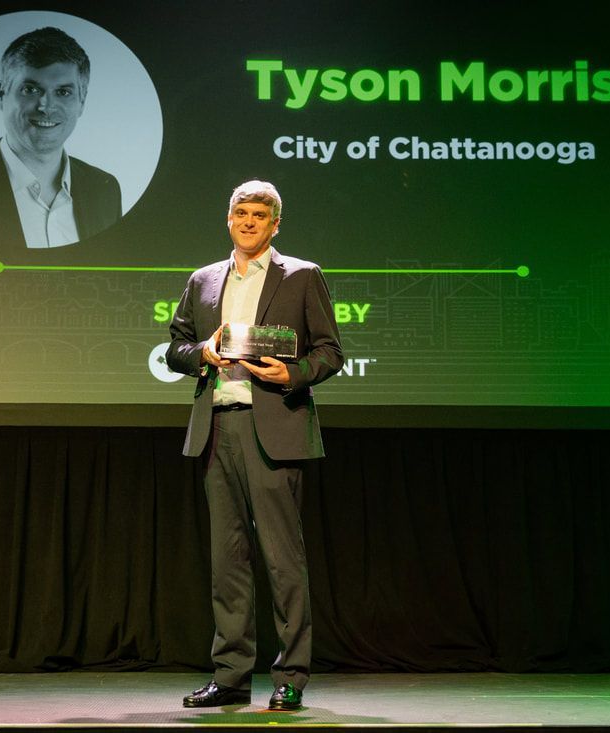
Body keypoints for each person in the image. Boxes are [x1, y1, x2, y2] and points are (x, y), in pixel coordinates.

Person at [167, 180, 343, 710]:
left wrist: (290, 373)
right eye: (240, 213)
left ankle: (291, 675)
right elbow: (174, 347)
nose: (248, 222)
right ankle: (231, 676)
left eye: (259, 215)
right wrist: (203, 352)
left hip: (275, 429)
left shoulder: (303, 275)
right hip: (218, 428)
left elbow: (330, 353)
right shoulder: (203, 280)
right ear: (228, 219)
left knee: (283, 562)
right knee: (228, 561)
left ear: (275, 224)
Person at [0, 27, 121, 258]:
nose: (46, 106)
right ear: (1, 94)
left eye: (63, 92)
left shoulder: (105, 190)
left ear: (82, 102)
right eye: (30, 89)